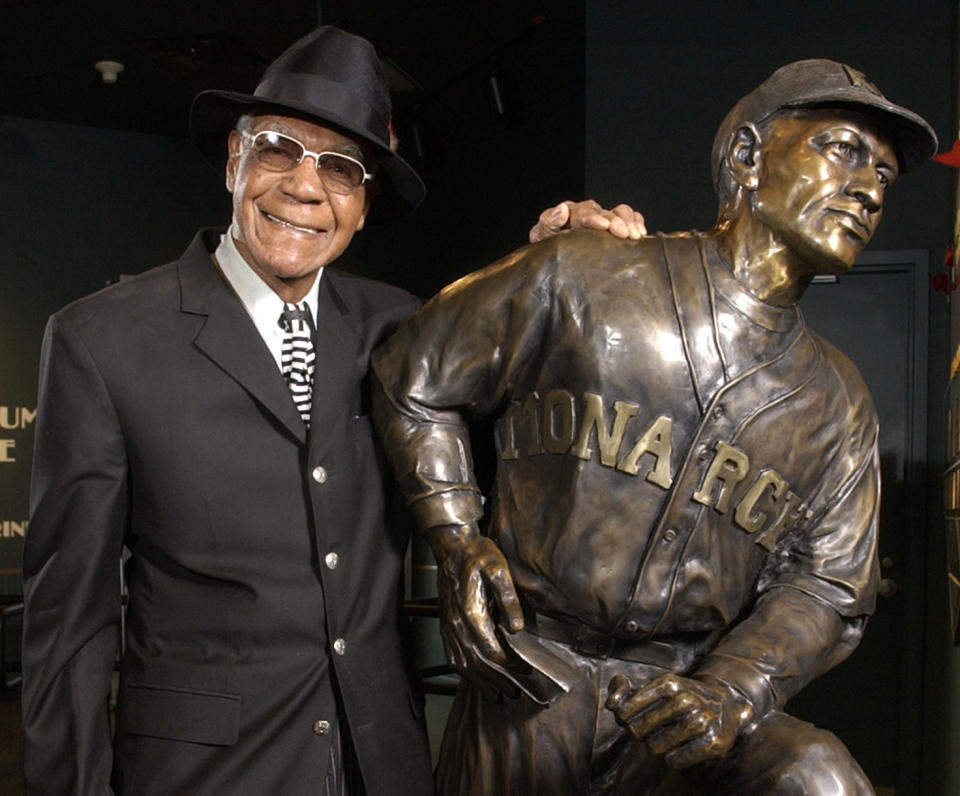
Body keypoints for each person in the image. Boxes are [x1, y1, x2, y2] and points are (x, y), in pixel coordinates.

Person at [19, 25, 642, 796]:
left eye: (341, 168)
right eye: (278, 148)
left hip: (383, 768)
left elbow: (530, 436)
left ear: (361, 202)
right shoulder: (101, 340)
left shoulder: (401, 327)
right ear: (233, 160)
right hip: (201, 776)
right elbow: (68, 629)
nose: (306, 188)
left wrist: (559, 271)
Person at [371, 59, 937, 794]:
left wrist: (732, 687)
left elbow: (829, 585)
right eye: (842, 149)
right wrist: (455, 537)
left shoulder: (839, 401)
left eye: (885, 178)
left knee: (817, 776)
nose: (868, 189)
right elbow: (413, 375)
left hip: (682, 703)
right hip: (533, 676)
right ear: (748, 156)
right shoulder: (587, 272)